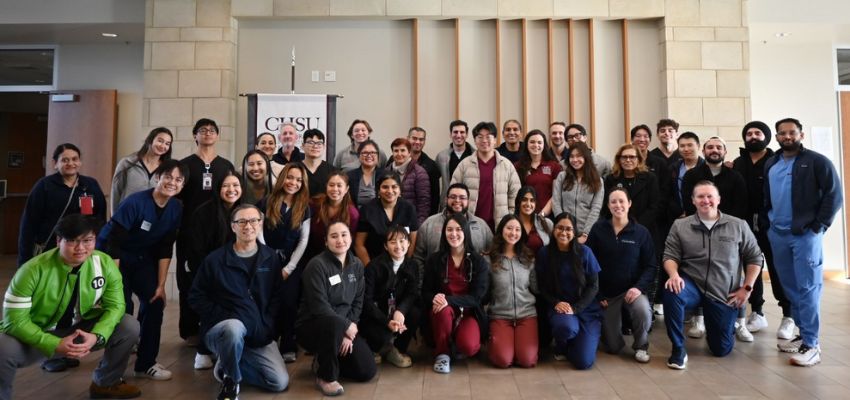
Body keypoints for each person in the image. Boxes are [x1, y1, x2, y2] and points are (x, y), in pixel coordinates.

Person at [0, 215, 141, 400]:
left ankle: (106, 383)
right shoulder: (31, 270)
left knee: (128, 325)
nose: (81, 248)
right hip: (38, 333)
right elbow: (14, 321)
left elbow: (116, 306)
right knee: (2, 346)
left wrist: (97, 335)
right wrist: (53, 343)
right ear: (59, 241)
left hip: (80, 331)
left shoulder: (105, 263)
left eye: (87, 240)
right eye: (72, 241)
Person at [97, 159, 187, 380]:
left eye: (178, 179)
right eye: (168, 177)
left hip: (141, 257)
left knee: (155, 302)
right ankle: (112, 371)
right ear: (157, 177)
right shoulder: (135, 202)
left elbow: (166, 247)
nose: (172, 182)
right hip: (114, 257)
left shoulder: (176, 208)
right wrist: (114, 282)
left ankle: (146, 364)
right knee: (122, 308)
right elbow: (113, 242)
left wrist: (161, 285)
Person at [189, 204, 289, 399]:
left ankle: (226, 364)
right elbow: (196, 297)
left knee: (279, 382)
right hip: (223, 330)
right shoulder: (215, 260)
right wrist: (227, 317)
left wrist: (267, 324)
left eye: (253, 221)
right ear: (233, 226)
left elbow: (276, 296)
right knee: (234, 328)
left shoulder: (270, 257)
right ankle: (231, 382)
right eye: (241, 221)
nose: (248, 226)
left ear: (260, 224)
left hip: (259, 332)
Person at [764, 118, 842, 367]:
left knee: (808, 287)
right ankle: (802, 334)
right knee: (790, 287)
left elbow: (834, 195)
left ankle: (812, 344)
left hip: (805, 235)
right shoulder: (772, 162)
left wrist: (818, 226)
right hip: (778, 234)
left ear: (801, 135)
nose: (787, 137)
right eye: (782, 133)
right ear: (777, 137)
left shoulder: (817, 161)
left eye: (792, 132)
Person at [662, 181, 763, 369]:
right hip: (692, 285)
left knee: (721, 349)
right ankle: (678, 349)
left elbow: (755, 257)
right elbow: (670, 255)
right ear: (693, 200)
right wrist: (674, 274)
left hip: (723, 291)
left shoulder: (738, 225)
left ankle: (724, 325)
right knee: (672, 292)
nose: (705, 200)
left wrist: (747, 288)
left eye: (710, 196)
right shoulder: (680, 225)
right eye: (700, 196)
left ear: (718, 200)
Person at [680, 137, 750, 341]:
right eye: (710, 147)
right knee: (698, 272)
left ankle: (740, 322)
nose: (714, 150)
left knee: (734, 275)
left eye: (719, 147)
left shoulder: (735, 176)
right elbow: (688, 201)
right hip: (699, 228)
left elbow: (741, 204)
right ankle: (699, 319)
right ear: (704, 151)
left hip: (729, 231)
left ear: (725, 151)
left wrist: (726, 224)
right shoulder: (692, 175)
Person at [296, 221, 377, 396]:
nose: (340, 240)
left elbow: (358, 301)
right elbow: (319, 306)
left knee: (367, 371)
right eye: (334, 236)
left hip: (343, 326)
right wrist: (345, 326)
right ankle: (326, 377)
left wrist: (350, 328)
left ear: (351, 238)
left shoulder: (357, 265)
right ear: (326, 241)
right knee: (332, 323)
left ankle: (324, 359)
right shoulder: (316, 265)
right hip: (313, 326)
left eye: (344, 235)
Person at [176, 118, 235, 345]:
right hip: (190, 231)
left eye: (212, 130)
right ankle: (190, 330)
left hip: (219, 230)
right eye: (203, 130)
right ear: (195, 135)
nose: (208, 133)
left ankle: (217, 326)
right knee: (189, 278)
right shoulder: (185, 165)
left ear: (218, 135)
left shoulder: (225, 165)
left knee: (218, 278)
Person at [732, 121, 794, 339]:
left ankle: (788, 315)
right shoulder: (738, 163)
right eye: (749, 133)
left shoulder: (777, 161)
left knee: (778, 269)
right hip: (746, 225)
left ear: (766, 137)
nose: (753, 136)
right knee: (752, 268)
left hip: (772, 224)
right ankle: (757, 312)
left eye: (757, 133)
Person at [587, 188, 656, 363]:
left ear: (629, 204)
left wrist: (638, 288)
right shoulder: (598, 229)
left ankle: (641, 346)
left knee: (643, 310)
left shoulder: (641, 233)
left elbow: (651, 266)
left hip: (632, 291)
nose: (618, 205)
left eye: (622, 201)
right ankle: (608, 335)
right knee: (613, 347)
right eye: (613, 202)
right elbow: (588, 264)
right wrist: (598, 294)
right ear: (608, 205)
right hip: (607, 295)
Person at [183, 170, 243, 369]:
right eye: (226, 185)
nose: (231, 190)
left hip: (237, 271)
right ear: (218, 188)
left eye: (236, 185)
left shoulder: (244, 211)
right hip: (208, 270)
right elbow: (195, 249)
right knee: (214, 305)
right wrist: (213, 273)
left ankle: (226, 347)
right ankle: (203, 350)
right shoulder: (204, 212)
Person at [18, 143, 107, 267]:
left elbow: (100, 219)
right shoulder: (44, 186)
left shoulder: (90, 184)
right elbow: (29, 223)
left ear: (80, 162)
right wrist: (24, 260)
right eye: (65, 160)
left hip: (83, 249)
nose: (71, 163)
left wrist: (99, 247)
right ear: (55, 163)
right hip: (52, 249)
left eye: (75, 159)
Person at [422, 213, 490, 374]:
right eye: (449, 230)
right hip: (442, 314)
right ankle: (442, 354)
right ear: (444, 232)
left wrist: (448, 300)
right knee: (443, 310)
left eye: (459, 229)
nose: (454, 234)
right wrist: (435, 298)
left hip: (469, 314)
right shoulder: (435, 260)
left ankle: (456, 341)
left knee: (468, 346)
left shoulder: (478, 261)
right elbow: (425, 292)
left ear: (465, 231)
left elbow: (477, 298)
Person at [258, 163, 311, 362]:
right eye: (290, 177)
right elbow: (258, 232)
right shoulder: (266, 202)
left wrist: (289, 267)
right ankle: (268, 342)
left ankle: (288, 344)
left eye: (298, 180)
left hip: (292, 262)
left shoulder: (304, 207)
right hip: (266, 258)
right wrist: (269, 258)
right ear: (282, 178)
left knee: (289, 302)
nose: (293, 183)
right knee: (267, 301)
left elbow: (304, 240)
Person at [535, 212, 603, 370]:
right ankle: (562, 344)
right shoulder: (545, 253)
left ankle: (583, 338)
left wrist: (576, 308)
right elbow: (542, 286)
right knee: (565, 328)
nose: (564, 232)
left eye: (568, 229)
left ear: (575, 232)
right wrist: (556, 302)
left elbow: (593, 286)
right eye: (560, 228)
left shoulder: (585, 252)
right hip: (560, 308)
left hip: (585, 309)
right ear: (554, 230)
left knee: (583, 362)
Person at [361, 225, 420, 368]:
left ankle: (398, 350)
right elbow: (367, 301)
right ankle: (376, 348)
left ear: (409, 243)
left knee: (415, 312)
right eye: (393, 242)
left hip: (397, 311)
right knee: (380, 334)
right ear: (386, 246)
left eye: (402, 241)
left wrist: (401, 311)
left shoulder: (413, 265)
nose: (398, 246)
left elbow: (412, 293)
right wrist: (386, 321)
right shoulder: (373, 267)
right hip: (378, 314)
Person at [413, 183, 494, 287]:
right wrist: (421, 285)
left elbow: (492, 254)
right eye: (453, 197)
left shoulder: (481, 225)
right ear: (446, 199)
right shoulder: (429, 224)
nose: (457, 200)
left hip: (473, 290)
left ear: (468, 201)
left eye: (462, 198)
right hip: (437, 290)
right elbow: (418, 257)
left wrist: (484, 286)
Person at [486, 214, 538, 368]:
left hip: (526, 315)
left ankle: (518, 347)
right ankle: (503, 344)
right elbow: (485, 291)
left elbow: (536, 288)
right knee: (503, 360)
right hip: (500, 315)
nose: (513, 233)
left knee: (527, 360)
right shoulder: (489, 259)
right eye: (509, 228)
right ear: (501, 230)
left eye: (517, 229)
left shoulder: (528, 258)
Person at [451, 121, 521, 231]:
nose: (484, 140)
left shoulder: (506, 165)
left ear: (495, 140)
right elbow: (453, 194)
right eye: (480, 137)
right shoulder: (464, 165)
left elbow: (515, 194)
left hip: (499, 226)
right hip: (470, 225)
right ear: (475, 140)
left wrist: (509, 217)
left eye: (488, 137)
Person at [354, 173, 419, 265]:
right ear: (378, 190)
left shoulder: (409, 209)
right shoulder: (367, 210)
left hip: (402, 264)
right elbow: (359, 244)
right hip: (374, 262)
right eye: (385, 187)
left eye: (394, 187)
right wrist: (370, 268)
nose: (390, 191)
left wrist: (404, 265)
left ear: (400, 190)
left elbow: (412, 242)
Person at [110, 127, 173, 213]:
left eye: (167, 144)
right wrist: (114, 217)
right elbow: (116, 191)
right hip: (126, 214)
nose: (163, 146)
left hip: (152, 216)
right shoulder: (127, 163)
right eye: (160, 141)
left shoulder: (167, 169)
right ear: (150, 140)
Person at [602, 144, 660, 237]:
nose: (628, 160)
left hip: (644, 228)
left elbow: (654, 206)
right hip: (617, 229)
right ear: (619, 160)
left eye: (632, 157)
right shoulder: (611, 179)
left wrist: (637, 226)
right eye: (624, 157)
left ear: (638, 159)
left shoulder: (650, 178)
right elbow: (607, 205)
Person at [552, 142, 604, 242]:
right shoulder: (562, 177)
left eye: (579, 156)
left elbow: (596, 208)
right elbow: (556, 202)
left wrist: (586, 234)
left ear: (586, 157)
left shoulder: (597, 180)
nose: (575, 160)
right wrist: (563, 227)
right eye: (571, 156)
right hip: (564, 233)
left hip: (587, 234)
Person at [305, 171, 361, 263]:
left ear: (346, 189)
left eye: (339, 185)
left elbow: (349, 241)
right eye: (331, 185)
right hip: (312, 255)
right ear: (326, 186)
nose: (335, 189)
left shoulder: (352, 214)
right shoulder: (315, 204)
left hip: (338, 257)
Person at [515, 129, 562, 216]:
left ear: (544, 145)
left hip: (547, 216)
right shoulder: (518, 166)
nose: (536, 145)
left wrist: (542, 214)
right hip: (525, 215)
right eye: (532, 142)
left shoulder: (554, 166)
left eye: (539, 142)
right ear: (526, 145)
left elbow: (556, 195)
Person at [387, 137, 431, 224]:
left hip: (410, 221)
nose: (399, 154)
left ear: (409, 152)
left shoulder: (419, 172)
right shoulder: (386, 171)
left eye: (403, 150)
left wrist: (418, 225)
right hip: (390, 222)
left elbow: (424, 203)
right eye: (396, 151)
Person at [435, 120, 475, 208]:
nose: (459, 135)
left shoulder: (475, 155)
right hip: (449, 203)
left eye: (462, 132)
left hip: (470, 203)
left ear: (467, 135)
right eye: (455, 132)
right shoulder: (441, 156)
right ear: (450, 134)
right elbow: (434, 183)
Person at [667, 131, 703, 222]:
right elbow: (668, 194)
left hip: (702, 215)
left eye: (690, 145)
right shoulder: (673, 168)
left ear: (698, 146)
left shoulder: (706, 167)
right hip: (677, 217)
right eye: (682, 146)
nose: (686, 149)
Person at [407, 126, 442, 215]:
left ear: (424, 142)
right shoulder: (395, 160)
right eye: (414, 138)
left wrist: (431, 218)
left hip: (422, 215)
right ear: (408, 139)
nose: (417, 142)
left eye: (421, 139)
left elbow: (435, 197)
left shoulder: (432, 166)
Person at [347, 140, 387, 208]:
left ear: (378, 156)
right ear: (359, 156)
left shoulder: (385, 175)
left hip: (379, 213)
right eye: (365, 153)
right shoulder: (349, 176)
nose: (369, 155)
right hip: (356, 213)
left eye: (373, 152)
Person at [515, 186, 553, 255]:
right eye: (524, 200)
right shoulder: (511, 223)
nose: (528, 204)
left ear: (536, 204)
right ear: (518, 202)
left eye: (532, 200)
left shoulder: (546, 223)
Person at [299, 128, 335, 196]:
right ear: (303, 146)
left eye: (319, 143)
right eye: (310, 142)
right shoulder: (295, 169)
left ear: (324, 147)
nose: (315, 146)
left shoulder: (332, 171)